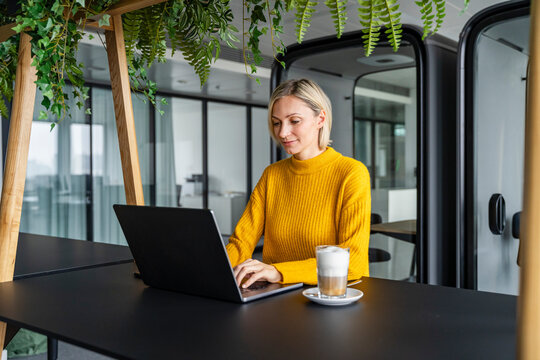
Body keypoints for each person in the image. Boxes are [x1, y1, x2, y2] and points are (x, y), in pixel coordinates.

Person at [226, 78, 371, 289]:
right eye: (277, 123)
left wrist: (278, 271)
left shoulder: (351, 173)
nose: (283, 133)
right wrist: (211, 273)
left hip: (332, 298)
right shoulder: (272, 175)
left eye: (294, 121)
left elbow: (354, 262)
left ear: (320, 118)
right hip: (278, 295)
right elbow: (242, 243)